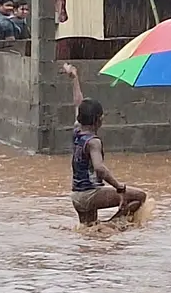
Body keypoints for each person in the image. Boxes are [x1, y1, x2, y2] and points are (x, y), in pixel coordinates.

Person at [60, 63, 146, 224]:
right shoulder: (93, 142)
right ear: (97, 120)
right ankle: (111, 226)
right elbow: (99, 168)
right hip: (91, 194)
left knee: (89, 234)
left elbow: (78, 103)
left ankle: (99, 234)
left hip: (77, 196)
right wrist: (119, 187)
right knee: (140, 196)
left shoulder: (77, 130)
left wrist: (75, 78)